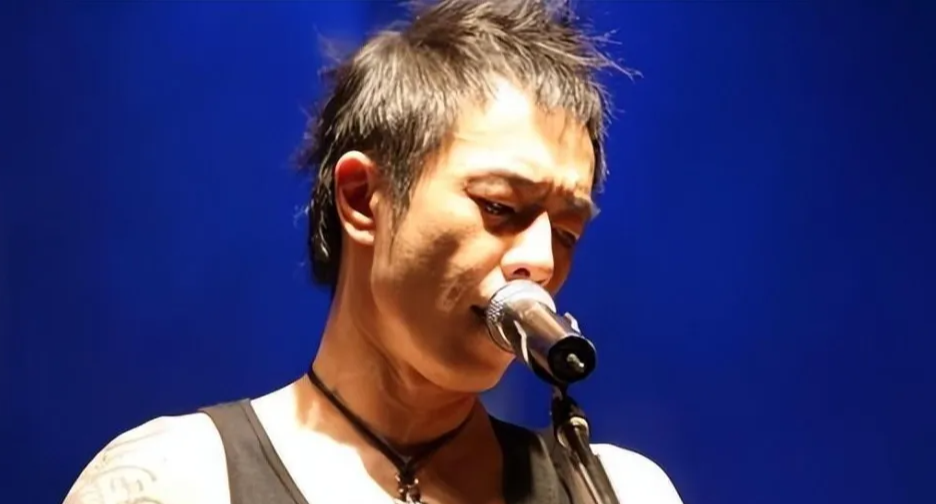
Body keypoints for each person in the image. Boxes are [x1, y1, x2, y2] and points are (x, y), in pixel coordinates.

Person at [63, 1, 683, 503]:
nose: (542, 262)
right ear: (363, 198)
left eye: (567, 231)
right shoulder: (172, 481)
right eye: (499, 206)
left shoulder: (619, 490)